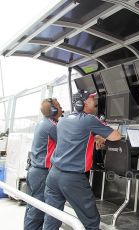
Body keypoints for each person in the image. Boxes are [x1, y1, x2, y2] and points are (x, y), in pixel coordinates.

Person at [43, 90, 121, 230]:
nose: (95, 102)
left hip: (53, 175)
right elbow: (116, 136)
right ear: (82, 103)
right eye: (92, 99)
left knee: (52, 218)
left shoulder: (63, 120)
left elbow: (75, 138)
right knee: (91, 221)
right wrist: (101, 136)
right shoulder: (89, 119)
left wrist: (95, 137)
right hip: (72, 179)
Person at [24, 98, 63, 230]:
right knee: (37, 210)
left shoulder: (43, 122)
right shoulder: (52, 126)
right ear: (53, 110)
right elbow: (67, 140)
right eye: (59, 106)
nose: (61, 107)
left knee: (32, 207)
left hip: (35, 170)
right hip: (41, 172)